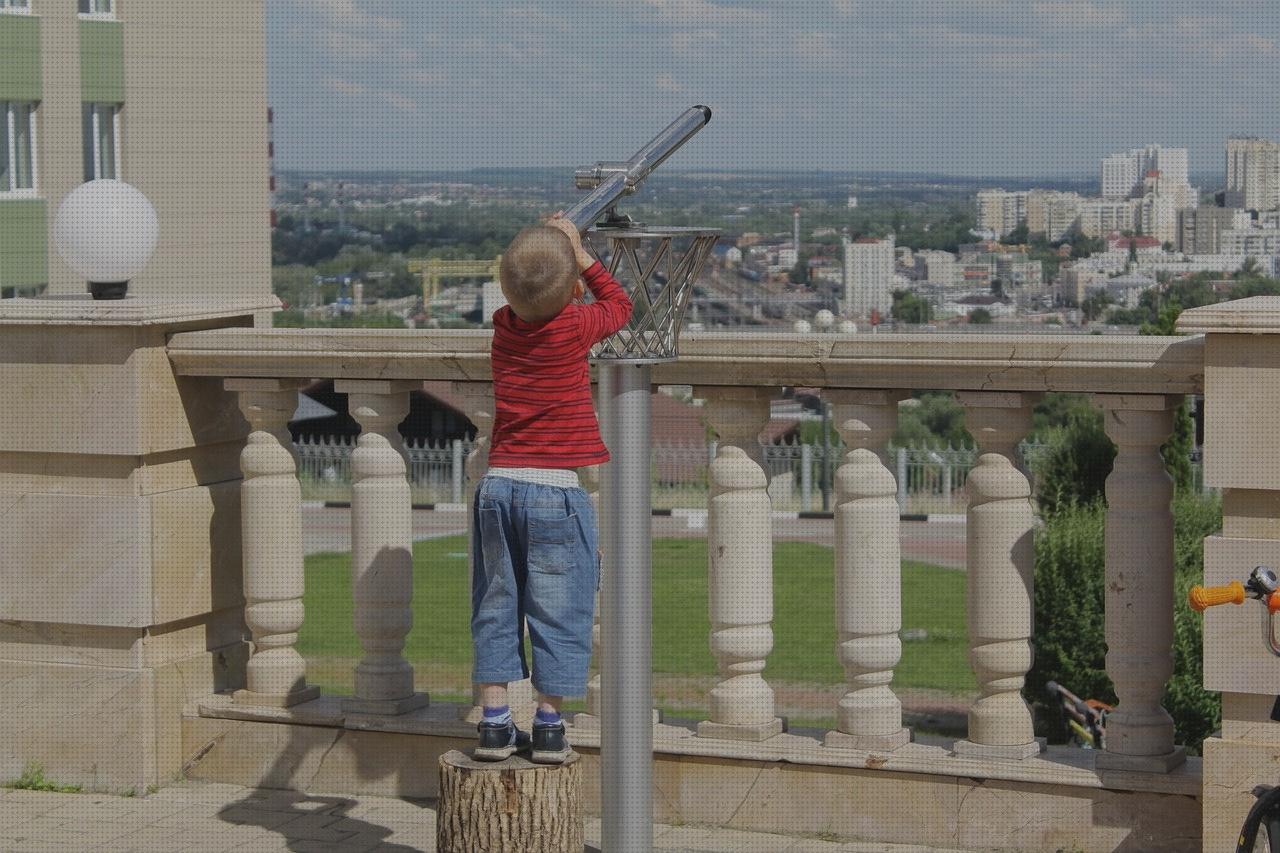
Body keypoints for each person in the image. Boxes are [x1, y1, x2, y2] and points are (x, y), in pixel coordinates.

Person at [471, 213, 632, 763]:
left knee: (495, 605)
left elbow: (528, 295)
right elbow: (622, 306)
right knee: (559, 608)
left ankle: (494, 723)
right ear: (572, 291)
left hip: (498, 488)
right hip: (554, 494)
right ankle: (548, 725)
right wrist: (581, 253)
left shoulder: (502, 326)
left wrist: (556, 263)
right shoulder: (572, 326)